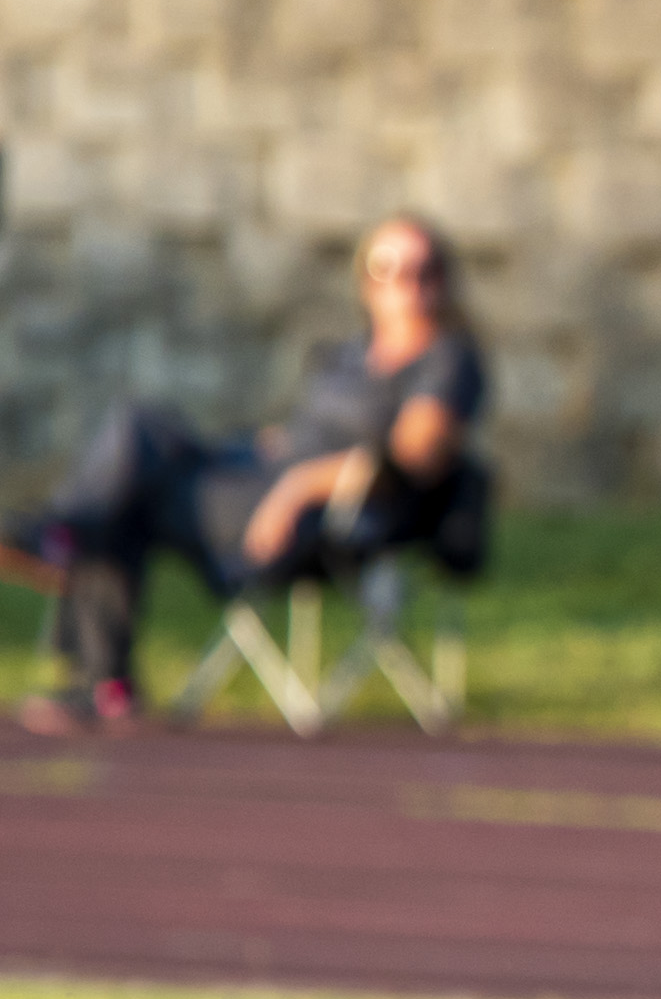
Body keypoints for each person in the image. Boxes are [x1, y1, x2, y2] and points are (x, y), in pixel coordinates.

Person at [11, 214, 487, 735]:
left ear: (445, 279)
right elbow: (304, 436)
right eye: (389, 269)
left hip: (322, 521)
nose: (409, 285)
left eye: (426, 270)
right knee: (137, 443)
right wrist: (261, 448)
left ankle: (74, 595)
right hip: (266, 483)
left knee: (129, 476)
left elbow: (410, 460)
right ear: (365, 281)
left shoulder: (445, 361)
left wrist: (297, 487)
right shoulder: (348, 357)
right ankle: (88, 626)